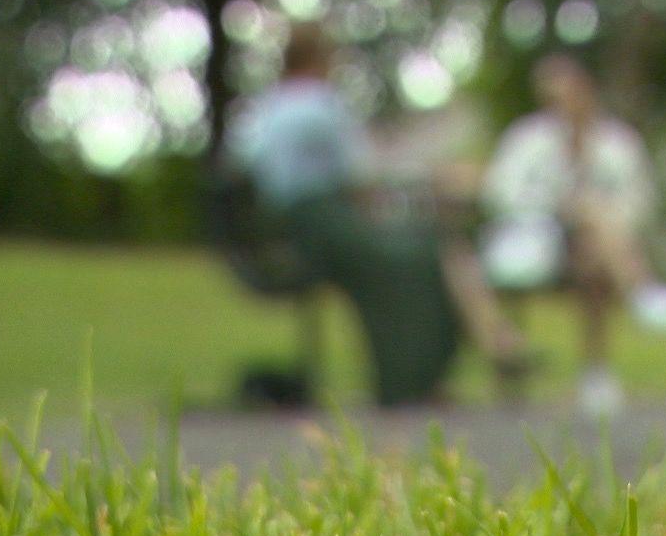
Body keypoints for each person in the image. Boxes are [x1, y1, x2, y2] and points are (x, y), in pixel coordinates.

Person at [226, 25, 528, 405]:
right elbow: (361, 177)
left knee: (419, 250)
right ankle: (411, 382)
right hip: (321, 228)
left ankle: (422, 374)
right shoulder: (322, 104)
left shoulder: (263, 109)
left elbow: (242, 167)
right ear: (321, 59)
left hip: (278, 233)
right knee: (422, 256)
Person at [479, 54, 666, 416]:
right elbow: (500, 193)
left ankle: (596, 374)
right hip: (536, 240)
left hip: (595, 246)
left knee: (594, 235)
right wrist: (557, 205)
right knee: (590, 212)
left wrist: (590, 208)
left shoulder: (618, 142)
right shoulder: (527, 139)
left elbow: (640, 202)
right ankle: (640, 288)